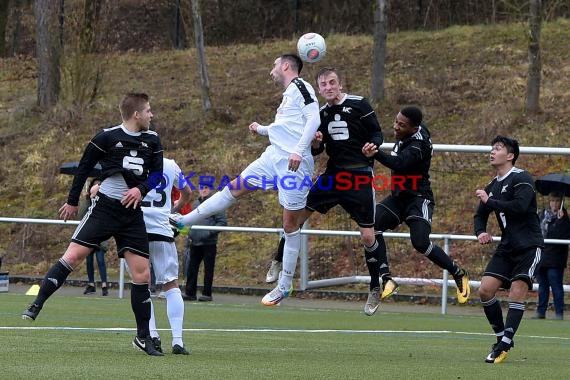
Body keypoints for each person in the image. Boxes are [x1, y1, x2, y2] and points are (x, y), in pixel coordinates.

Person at [171, 53, 320, 306]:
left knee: (290, 225)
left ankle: (285, 285)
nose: (271, 69)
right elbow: (285, 128)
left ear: (285, 66)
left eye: (274, 65)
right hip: (273, 157)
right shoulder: (288, 95)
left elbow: (314, 119)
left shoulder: (301, 86)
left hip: (294, 164)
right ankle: (184, 222)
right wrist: (261, 129)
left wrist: (298, 150)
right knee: (233, 189)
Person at [22, 92, 165, 356]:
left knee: (142, 275)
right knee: (73, 256)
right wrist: (72, 200)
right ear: (136, 114)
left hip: (131, 213)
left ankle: (143, 337)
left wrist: (140, 190)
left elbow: (158, 177)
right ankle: (37, 303)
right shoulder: (106, 137)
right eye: (148, 111)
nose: (151, 115)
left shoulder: (153, 140)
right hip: (105, 208)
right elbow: (85, 167)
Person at [264, 67, 399, 315]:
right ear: (319, 88)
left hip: (358, 176)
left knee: (368, 237)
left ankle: (373, 288)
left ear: (339, 83)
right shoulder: (321, 113)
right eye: (323, 85)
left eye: (332, 83)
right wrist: (316, 143)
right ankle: (278, 259)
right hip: (333, 176)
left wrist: (374, 146)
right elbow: (317, 150)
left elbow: (377, 133)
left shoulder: (359, 103)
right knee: (294, 218)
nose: (328, 88)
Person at [362, 106, 471, 307]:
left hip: (418, 198)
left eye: (401, 125)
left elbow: (399, 164)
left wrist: (374, 153)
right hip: (398, 196)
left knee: (419, 242)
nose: (395, 127)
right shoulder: (413, 129)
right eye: (396, 121)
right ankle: (387, 279)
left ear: (414, 128)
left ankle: (458, 273)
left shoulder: (418, 145)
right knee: (372, 227)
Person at [473, 135, 544, 364]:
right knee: (485, 290)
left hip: (529, 245)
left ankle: (503, 345)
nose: (492, 151)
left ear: (510, 155)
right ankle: (501, 336)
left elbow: (520, 207)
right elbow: (479, 214)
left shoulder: (522, 178)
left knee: (516, 292)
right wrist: (480, 231)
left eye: (498, 148)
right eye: (492, 148)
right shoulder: (492, 186)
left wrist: (490, 202)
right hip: (507, 246)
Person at [141, 157, 192, 355]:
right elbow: (187, 193)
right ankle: (177, 340)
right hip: (162, 230)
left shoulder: (134, 162)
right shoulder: (170, 165)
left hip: (137, 231)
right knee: (171, 285)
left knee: (141, 286)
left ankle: (152, 336)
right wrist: (172, 210)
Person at [184, 184, 227, 302]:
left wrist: (208, 233)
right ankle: (190, 293)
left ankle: (207, 294)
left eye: (206, 188)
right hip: (195, 242)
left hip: (209, 243)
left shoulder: (216, 204)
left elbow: (222, 222)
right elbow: (190, 220)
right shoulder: (195, 204)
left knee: (208, 269)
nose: (203, 190)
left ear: (210, 189)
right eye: (201, 187)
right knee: (191, 268)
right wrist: (190, 234)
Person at [534, 192, 570, 320]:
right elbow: (535, 231)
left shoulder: (565, 218)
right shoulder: (542, 215)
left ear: (561, 203)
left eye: (557, 201)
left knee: (556, 286)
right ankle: (540, 312)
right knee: (542, 286)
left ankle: (559, 313)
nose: (554, 204)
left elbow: (561, 236)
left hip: (556, 258)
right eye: (552, 201)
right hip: (542, 256)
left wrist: (561, 221)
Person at [79, 178, 109, 296]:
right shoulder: (88, 200)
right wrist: (86, 199)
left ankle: (104, 284)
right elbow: (81, 215)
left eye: (99, 185)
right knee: (89, 260)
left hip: (101, 236)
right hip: (89, 234)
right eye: (95, 185)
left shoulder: (106, 199)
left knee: (101, 260)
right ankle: (91, 284)